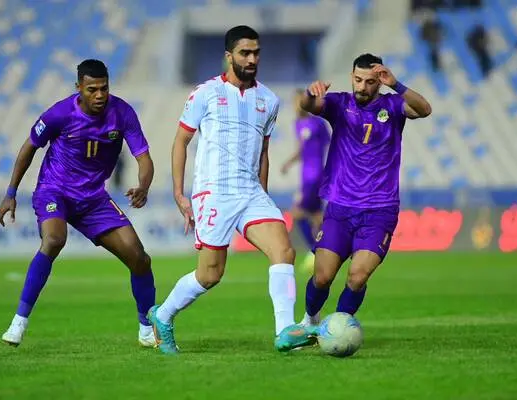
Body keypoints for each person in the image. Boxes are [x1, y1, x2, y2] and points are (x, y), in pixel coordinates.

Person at [147, 26, 314, 354]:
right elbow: (181, 142)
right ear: (229, 56)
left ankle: (285, 333)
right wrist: (180, 194)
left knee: (284, 251)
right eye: (245, 53)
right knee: (210, 275)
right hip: (214, 192)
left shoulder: (269, 100)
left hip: (251, 192)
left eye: (256, 53)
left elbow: (263, 153)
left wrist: (263, 193)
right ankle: (163, 315)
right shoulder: (204, 94)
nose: (252, 59)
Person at [0, 59, 157, 348]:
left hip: (94, 199)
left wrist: (143, 186)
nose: (99, 95)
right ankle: (18, 323)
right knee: (55, 240)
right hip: (54, 191)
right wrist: (11, 193)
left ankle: (147, 330)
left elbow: (143, 158)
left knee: (139, 258)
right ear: (79, 88)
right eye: (92, 89)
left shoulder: (122, 112)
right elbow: (28, 148)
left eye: (104, 88)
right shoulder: (60, 114)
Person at [287, 53, 432, 333]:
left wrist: (397, 85)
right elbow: (308, 105)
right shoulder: (340, 104)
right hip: (341, 207)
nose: (362, 87)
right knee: (322, 276)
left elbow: (424, 109)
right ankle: (310, 321)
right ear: (351, 76)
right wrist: (308, 93)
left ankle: (337, 329)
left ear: (379, 81)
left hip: (380, 210)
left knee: (357, 276)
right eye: (357, 80)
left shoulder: (393, 105)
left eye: (368, 82)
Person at [281, 89, 330, 271]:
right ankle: (326, 251)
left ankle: (315, 250)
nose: (296, 106)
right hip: (305, 175)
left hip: (315, 174)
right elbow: (302, 150)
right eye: (294, 102)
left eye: (298, 101)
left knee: (297, 213)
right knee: (318, 216)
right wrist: (288, 163)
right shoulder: (298, 124)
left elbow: (329, 145)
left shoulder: (317, 123)